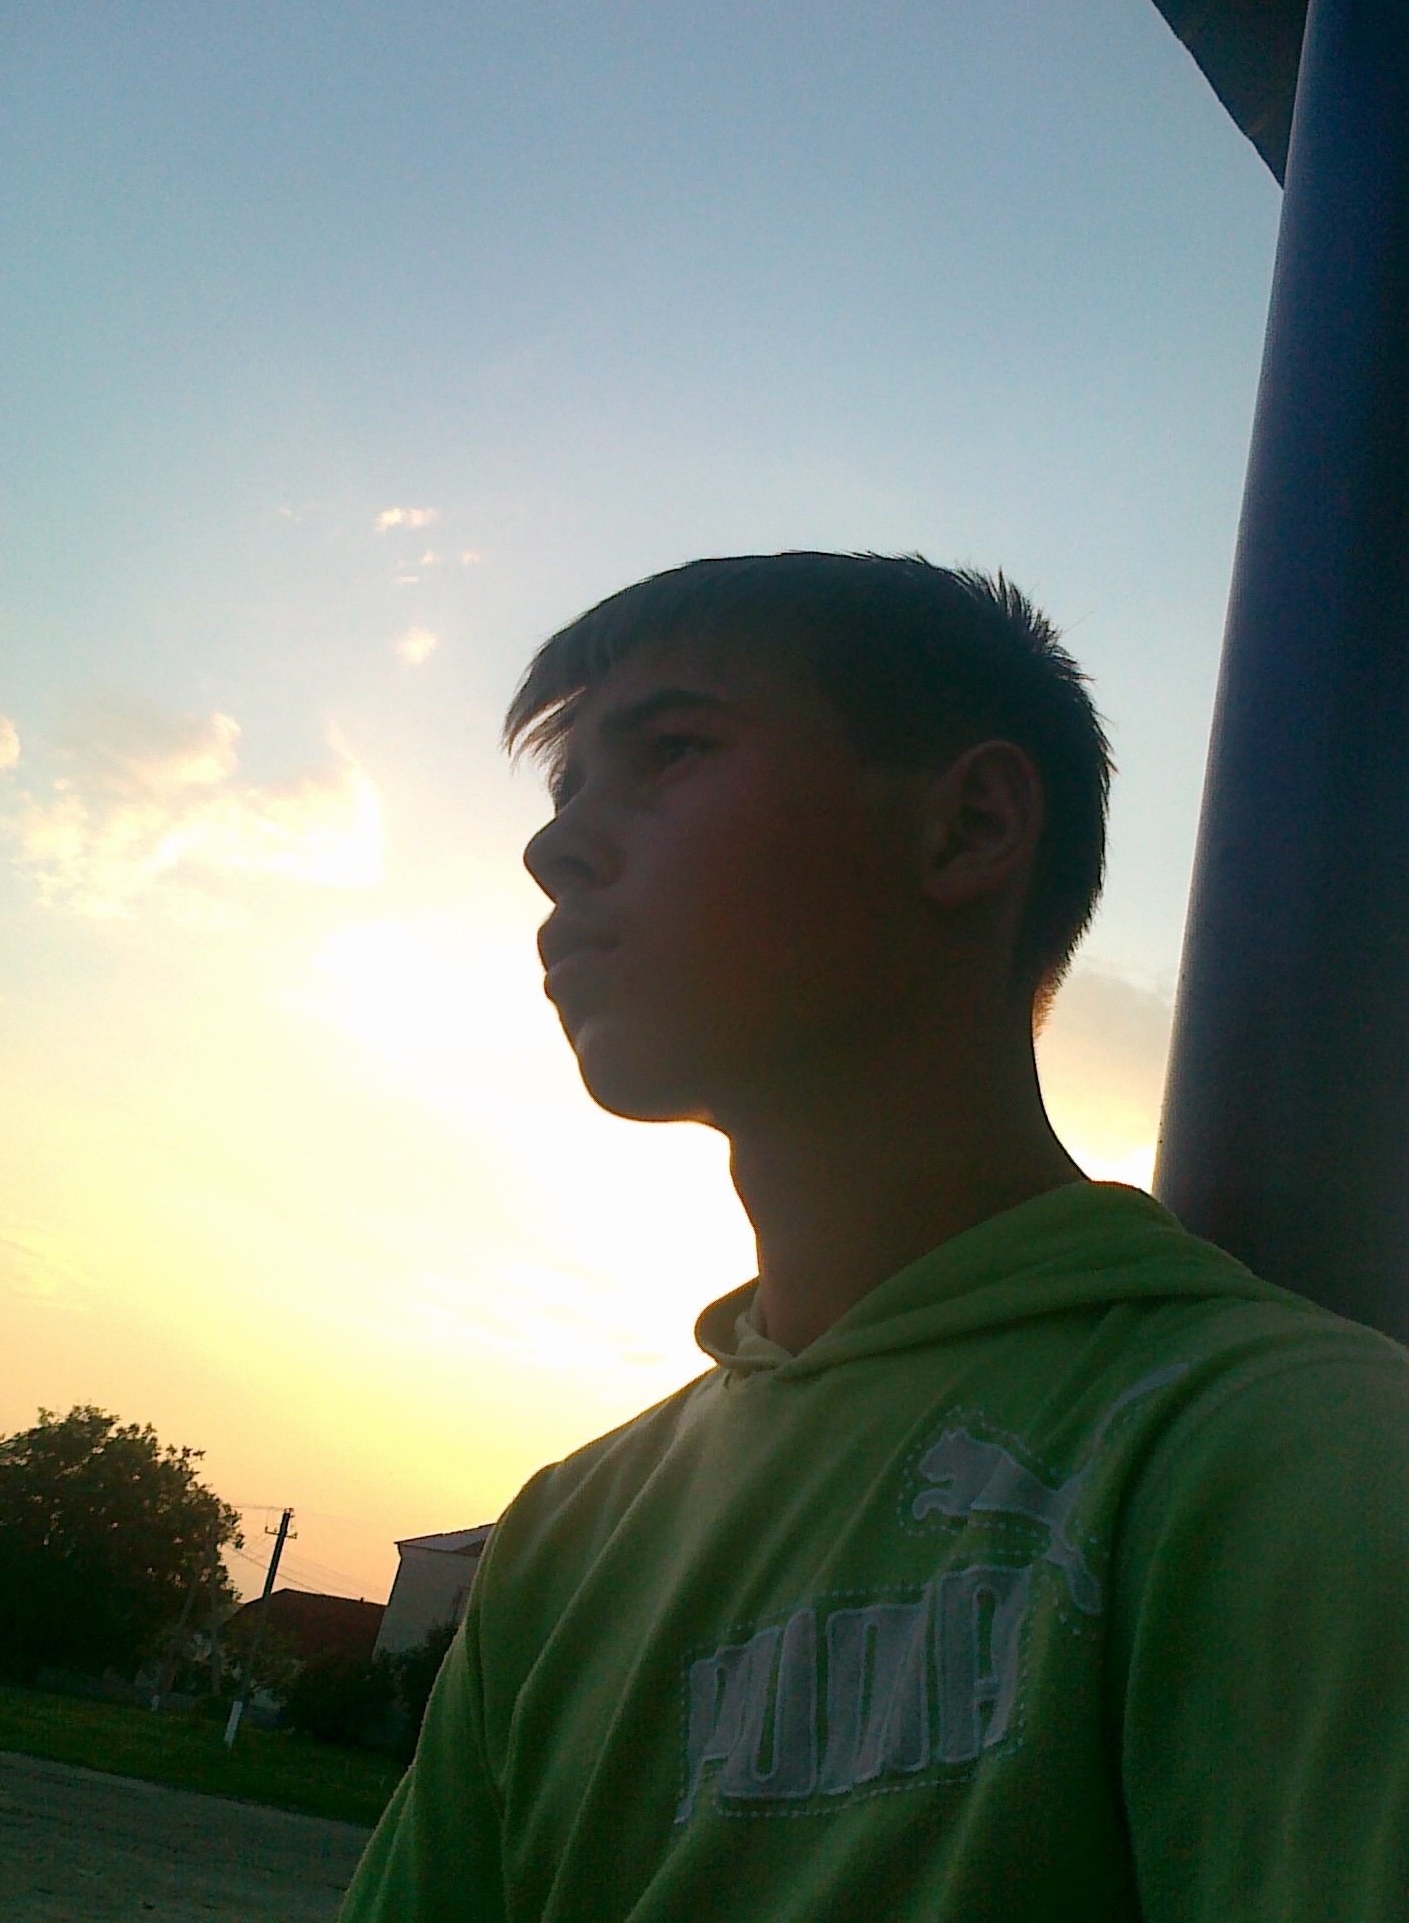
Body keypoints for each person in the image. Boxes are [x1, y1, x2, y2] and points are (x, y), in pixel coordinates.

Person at [342, 551, 1409, 1922]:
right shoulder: (568, 1534)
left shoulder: (1301, 1468)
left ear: (969, 826)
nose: (554, 849)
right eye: (564, 792)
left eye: (670, 751)